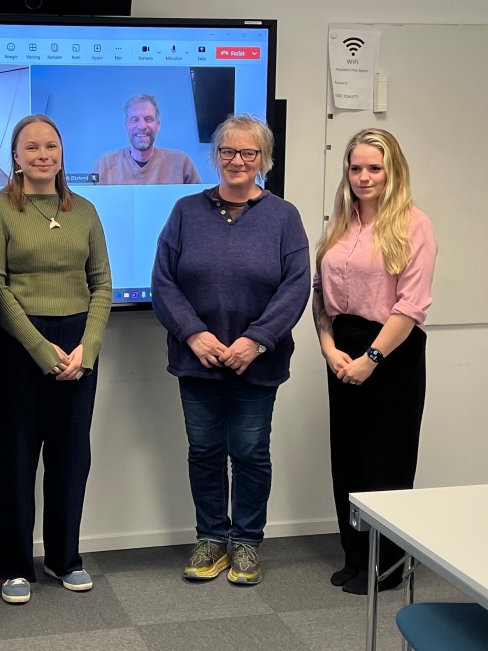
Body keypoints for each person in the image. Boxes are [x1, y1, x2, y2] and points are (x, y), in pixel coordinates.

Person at [152, 114, 310, 586]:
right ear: (215, 156)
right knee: (203, 451)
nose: (237, 161)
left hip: (257, 363)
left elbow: (296, 287)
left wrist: (256, 341)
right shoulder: (185, 211)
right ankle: (211, 538)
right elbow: (164, 281)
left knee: (249, 452)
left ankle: (245, 542)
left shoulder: (284, 217)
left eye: (248, 153)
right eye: (228, 151)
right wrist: (193, 333)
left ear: (264, 159)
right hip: (196, 360)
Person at [0, 114, 112, 605]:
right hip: (17, 347)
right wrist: (39, 348)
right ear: (15, 156)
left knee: (71, 458)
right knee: (15, 460)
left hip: (77, 346)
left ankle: (64, 558)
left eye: (51, 146)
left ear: (61, 152)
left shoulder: (86, 210)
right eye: (30, 147)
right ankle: (15, 565)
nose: (42, 154)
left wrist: (88, 348)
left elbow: (101, 283)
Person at [312, 128, 436, 595]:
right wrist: (328, 348)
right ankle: (355, 557)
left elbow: (410, 306)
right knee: (347, 458)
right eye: (355, 167)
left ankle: (387, 567)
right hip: (341, 347)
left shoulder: (413, 224)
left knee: (386, 461)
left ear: (393, 171)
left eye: (374, 168)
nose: (363, 177)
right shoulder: (341, 223)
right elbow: (320, 294)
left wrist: (372, 357)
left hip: (392, 351)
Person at [93, 94, 201, 185]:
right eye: (134, 119)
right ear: (126, 125)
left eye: (148, 119)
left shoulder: (181, 163)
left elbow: (199, 206)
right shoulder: (105, 164)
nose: (141, 126)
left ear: (157, 125)